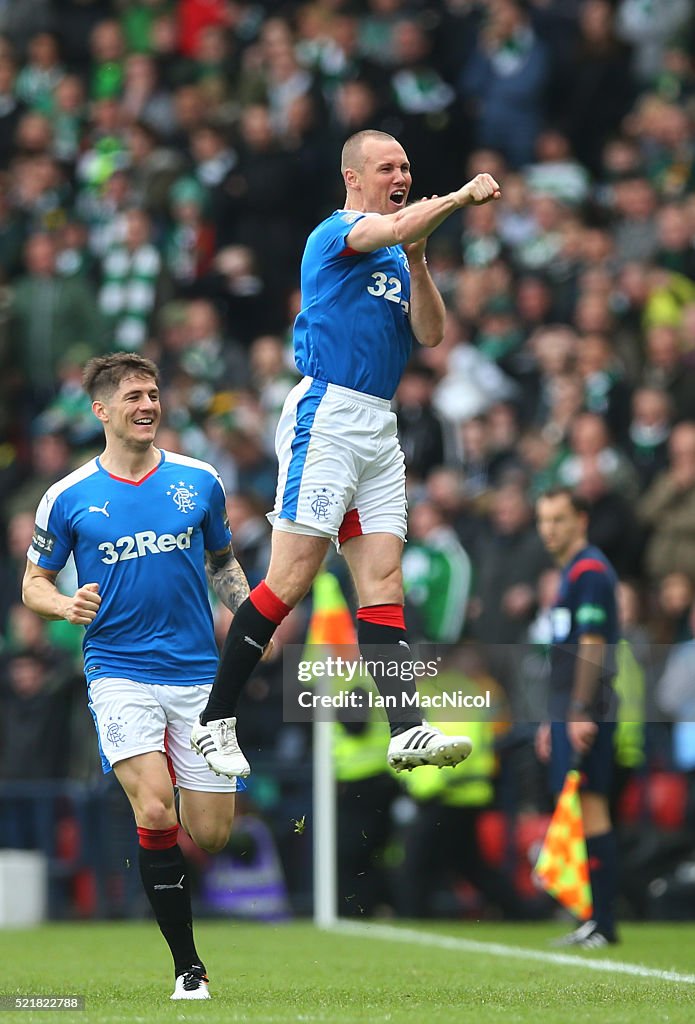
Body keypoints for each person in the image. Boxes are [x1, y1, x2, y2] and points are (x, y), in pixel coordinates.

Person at [191, 129, 501, 777]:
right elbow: (384, 231)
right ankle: (215, 719)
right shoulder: (335, 232)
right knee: (292, 578)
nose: (402, 174)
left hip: (377, 427)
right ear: (353, 177)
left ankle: (406, 729)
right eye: (388, 165)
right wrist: (460, 197)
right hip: (327, 415)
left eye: (407, 166)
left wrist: (418, 263)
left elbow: (431, 332)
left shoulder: (396, 257)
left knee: (383, 580)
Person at [22, 352, 254, 1001]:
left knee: (209, 831)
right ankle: (188, 967)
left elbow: (222, 563)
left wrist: (256, 616)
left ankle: (181, 897)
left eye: (153, 394)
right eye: (133, 397)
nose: (148, 405)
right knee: (154, 805)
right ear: (100, 409)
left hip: (197, 676)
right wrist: (64, 605)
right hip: (118, 670)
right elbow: (32, 584)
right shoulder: (67, 497)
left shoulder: (198, 480)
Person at [535, 486, 620, 948]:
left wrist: (578, 711)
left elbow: (592, 645)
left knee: (592, 807)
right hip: (570, 709)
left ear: (581, 520)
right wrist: (554, 718)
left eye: (559, 520)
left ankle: (603, 923)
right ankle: (594, 919)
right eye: (544, 520)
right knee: (582, 809)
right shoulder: (571, 573)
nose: (550, 529)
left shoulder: (589, 571)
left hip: (588, 709)